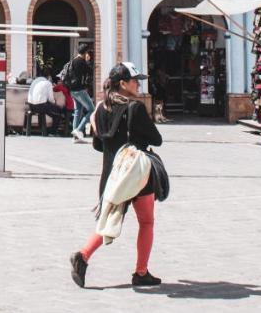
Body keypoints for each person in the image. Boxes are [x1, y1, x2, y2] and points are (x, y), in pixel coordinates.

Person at [70, 62, 164, 289]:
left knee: (108, 221)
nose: (138, 84)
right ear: (123, 83)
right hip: (137, 175)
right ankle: (141, 272)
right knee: (147, 221)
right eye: (135, 80)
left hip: (112, 174)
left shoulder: (101, 109)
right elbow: (156, 139)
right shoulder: (135, 108)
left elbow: (98, 145)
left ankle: (82, 256)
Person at [64, 43, 95, 141]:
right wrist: (88, 61)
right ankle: (78, 129)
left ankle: (75, 137)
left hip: (72, 90)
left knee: (78, 111)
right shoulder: (82, 62)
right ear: (85, 52)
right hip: (80, 90)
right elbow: (89, 72)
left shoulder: (73, 61)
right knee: (91, 109)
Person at [26, 70, 68, 135]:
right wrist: (55, 104)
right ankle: (52, 132)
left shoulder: (35, 81)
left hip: (31, 105)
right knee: (58, 114)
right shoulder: (47, 83)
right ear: (48, 76)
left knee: (51, 108)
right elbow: (51, 99)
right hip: (40, 106)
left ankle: (44, 129)